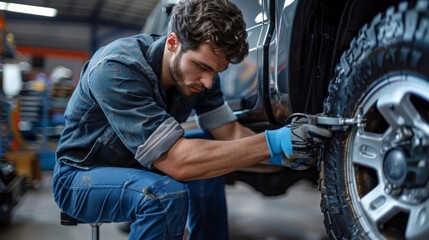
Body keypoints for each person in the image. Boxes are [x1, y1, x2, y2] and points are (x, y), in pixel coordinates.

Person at [52, 0, 332, 239]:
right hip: (80, 178)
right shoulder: (117, 69)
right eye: (202, 67)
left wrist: (285, 152)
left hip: (141, 167)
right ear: (173, 41)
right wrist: (274, 141)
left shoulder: (199, 79)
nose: (209, 82)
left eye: (217, 71)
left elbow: (229, 132)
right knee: (162, 195)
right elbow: (179, 162)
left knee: (207, 156)